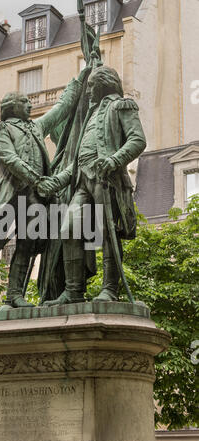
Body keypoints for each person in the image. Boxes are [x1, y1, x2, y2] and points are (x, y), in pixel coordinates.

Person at [0, 67, 90, 311]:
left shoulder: (37, 127)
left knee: (26, 247)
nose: (30, 106)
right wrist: (37, 179)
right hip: (10, 194)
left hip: (35, 199)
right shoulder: (1, 129)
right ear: (12, 105)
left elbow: (61, 108)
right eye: (25, 102)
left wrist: (81, 77)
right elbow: (9, 159)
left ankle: (13, 296)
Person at [40, 65, 147, 305]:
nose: (88, 91)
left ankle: (110, 289)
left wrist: (113, 160)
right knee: (69, 230)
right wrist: (57, 180)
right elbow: (79, 158)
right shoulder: (90, 114)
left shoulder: (121, 105)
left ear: (103, 84)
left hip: (107, 179)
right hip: (82, 180)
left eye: (91, 86)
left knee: (109, 234)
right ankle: (73, 291)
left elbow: (138, 140)